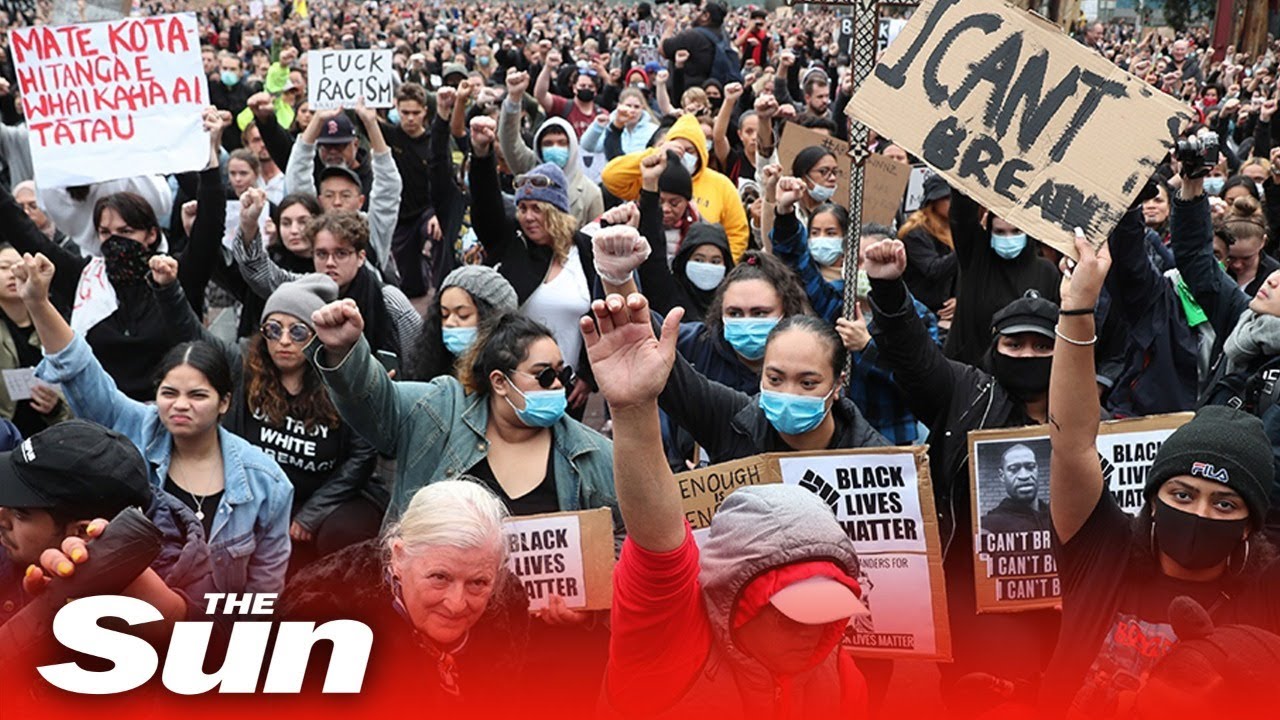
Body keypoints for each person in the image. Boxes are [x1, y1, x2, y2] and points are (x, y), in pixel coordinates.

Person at [582, 290, 869, 717]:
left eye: (829, 612)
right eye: (792, 614)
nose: (814, 632)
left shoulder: (842, 679)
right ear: (741, 598)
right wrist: (634, 409)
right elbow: (658, 543)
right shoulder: (670, 642)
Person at [1040, 227, 1279, 716]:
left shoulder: (1266, 594)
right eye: (1182, 493)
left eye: (1225, 503)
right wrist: (1079, 307)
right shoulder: (1101, 552)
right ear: (1152, 498)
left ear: (1251, 525)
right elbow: (1073, 444)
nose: (1200, 512)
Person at [18, 252, 293, 594]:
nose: (180, 405)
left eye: (197, 395)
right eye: (169, 392)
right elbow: (78, 368)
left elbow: (265, 586)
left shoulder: (267, 482)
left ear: (224, 402)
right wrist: (38, 302)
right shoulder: (135, 427)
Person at [862, 236, 1062, 703]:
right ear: (996, 346)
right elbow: (913, 356)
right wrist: (889, 290)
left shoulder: (1083, 411)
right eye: (1015, 343)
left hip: (1063, 599)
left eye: (1042, 346)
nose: (1028, 355)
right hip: (975, 602)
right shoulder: (967, 391)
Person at [311, 299, 621, 535]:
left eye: (562, 374)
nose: (557, 385)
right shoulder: (438, 409)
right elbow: (375, 402)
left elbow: (629, 536)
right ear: (499, 382)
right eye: (544, 375)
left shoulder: (593, 453)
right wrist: (345, 351)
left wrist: (589, 588)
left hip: (548, 619)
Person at [152, 261, 383, 564]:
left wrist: (313, 513)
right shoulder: (243, 366)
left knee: (343, 532)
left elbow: (362, 455)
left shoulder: (340, 376)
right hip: (256, 491)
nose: (284, 341)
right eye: (274, 330)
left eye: (298, 331)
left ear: (317, 336)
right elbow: (192, 334)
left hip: (323, 497)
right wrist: (169, 288)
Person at [279, 480, 529, 712]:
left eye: (478, 583)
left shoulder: (507, 605)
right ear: (398, 557)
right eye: (439, 578)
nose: (456, 604)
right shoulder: (318, 609)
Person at [0, 419, 213, 629]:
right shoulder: (19, 547)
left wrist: (175, 623)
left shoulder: (185, 600)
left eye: (20, 513)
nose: (2, 517)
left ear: (82, 532)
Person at [469, 115, 597, 411]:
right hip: (512, 385)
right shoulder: (511, 244)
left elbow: (600, 312)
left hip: (565, 386)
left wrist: (588, 377)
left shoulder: (586, 250)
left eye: (537, 209)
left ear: (557, 212)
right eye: (522, 208)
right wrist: (481, 154)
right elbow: (485, 204)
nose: (527, 217)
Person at [233, 194, 424, 380]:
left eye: (341, 253)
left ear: (360, 257)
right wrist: (249, 223)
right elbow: (261, 274)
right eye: (322, 254)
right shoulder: (303, 290)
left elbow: (420, 355)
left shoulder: (389, 300)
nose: (330, 263)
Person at [602, 113, 750, 261]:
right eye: (677, 150)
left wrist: (724, 266)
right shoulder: (652, 177)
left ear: (700, 152)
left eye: (689, 150)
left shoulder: (721, 184)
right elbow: (610, 176)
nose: (683, 155)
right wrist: (655, 154)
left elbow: (737, 233)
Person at [942, 190, 1062, 366]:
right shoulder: (976, 259)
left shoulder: (1046, 271)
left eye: (1016, 231)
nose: (1008, 238)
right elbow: (961, 215)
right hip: (969, 369)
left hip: (1022, 370)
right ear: (990, 231)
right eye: (999, 231)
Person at [285, 105, 403, 280]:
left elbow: (389, 187)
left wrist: (371, 124)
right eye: (329, 195)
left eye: (345, 195)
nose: (337, 202)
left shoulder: (372, 230)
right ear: (319, 200)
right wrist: (317, 120)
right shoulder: (314, 226)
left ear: (361, 201)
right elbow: (297, 177)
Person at [501, 70, 604, 227]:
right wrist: (514, 99)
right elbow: (509, 141)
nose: (555, 148)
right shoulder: (530, 168)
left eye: (562, 143)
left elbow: (595, 240)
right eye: (548, 144)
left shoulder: (591, 193)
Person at [421, 265, 520, 381]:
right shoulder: (435, 367)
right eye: (444, 315)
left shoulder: (516, 373)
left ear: (492, 318)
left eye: (463, 315)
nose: (449, 323)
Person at [899, 174, 958, 321]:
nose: (953, 203)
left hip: (948, 311)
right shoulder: (915, 232)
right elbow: (934, 270)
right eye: (947, 198)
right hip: (920, 313)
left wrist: (960, 298)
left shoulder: (955, 226)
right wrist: (964, 247)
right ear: (933, 201)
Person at [981, 444, 1050, 535]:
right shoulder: (988, 526)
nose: (1024, 476)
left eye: (1030, 467)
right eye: (1014, 469)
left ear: (1037, 469)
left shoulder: (1056, 517)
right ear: (1002, 476)